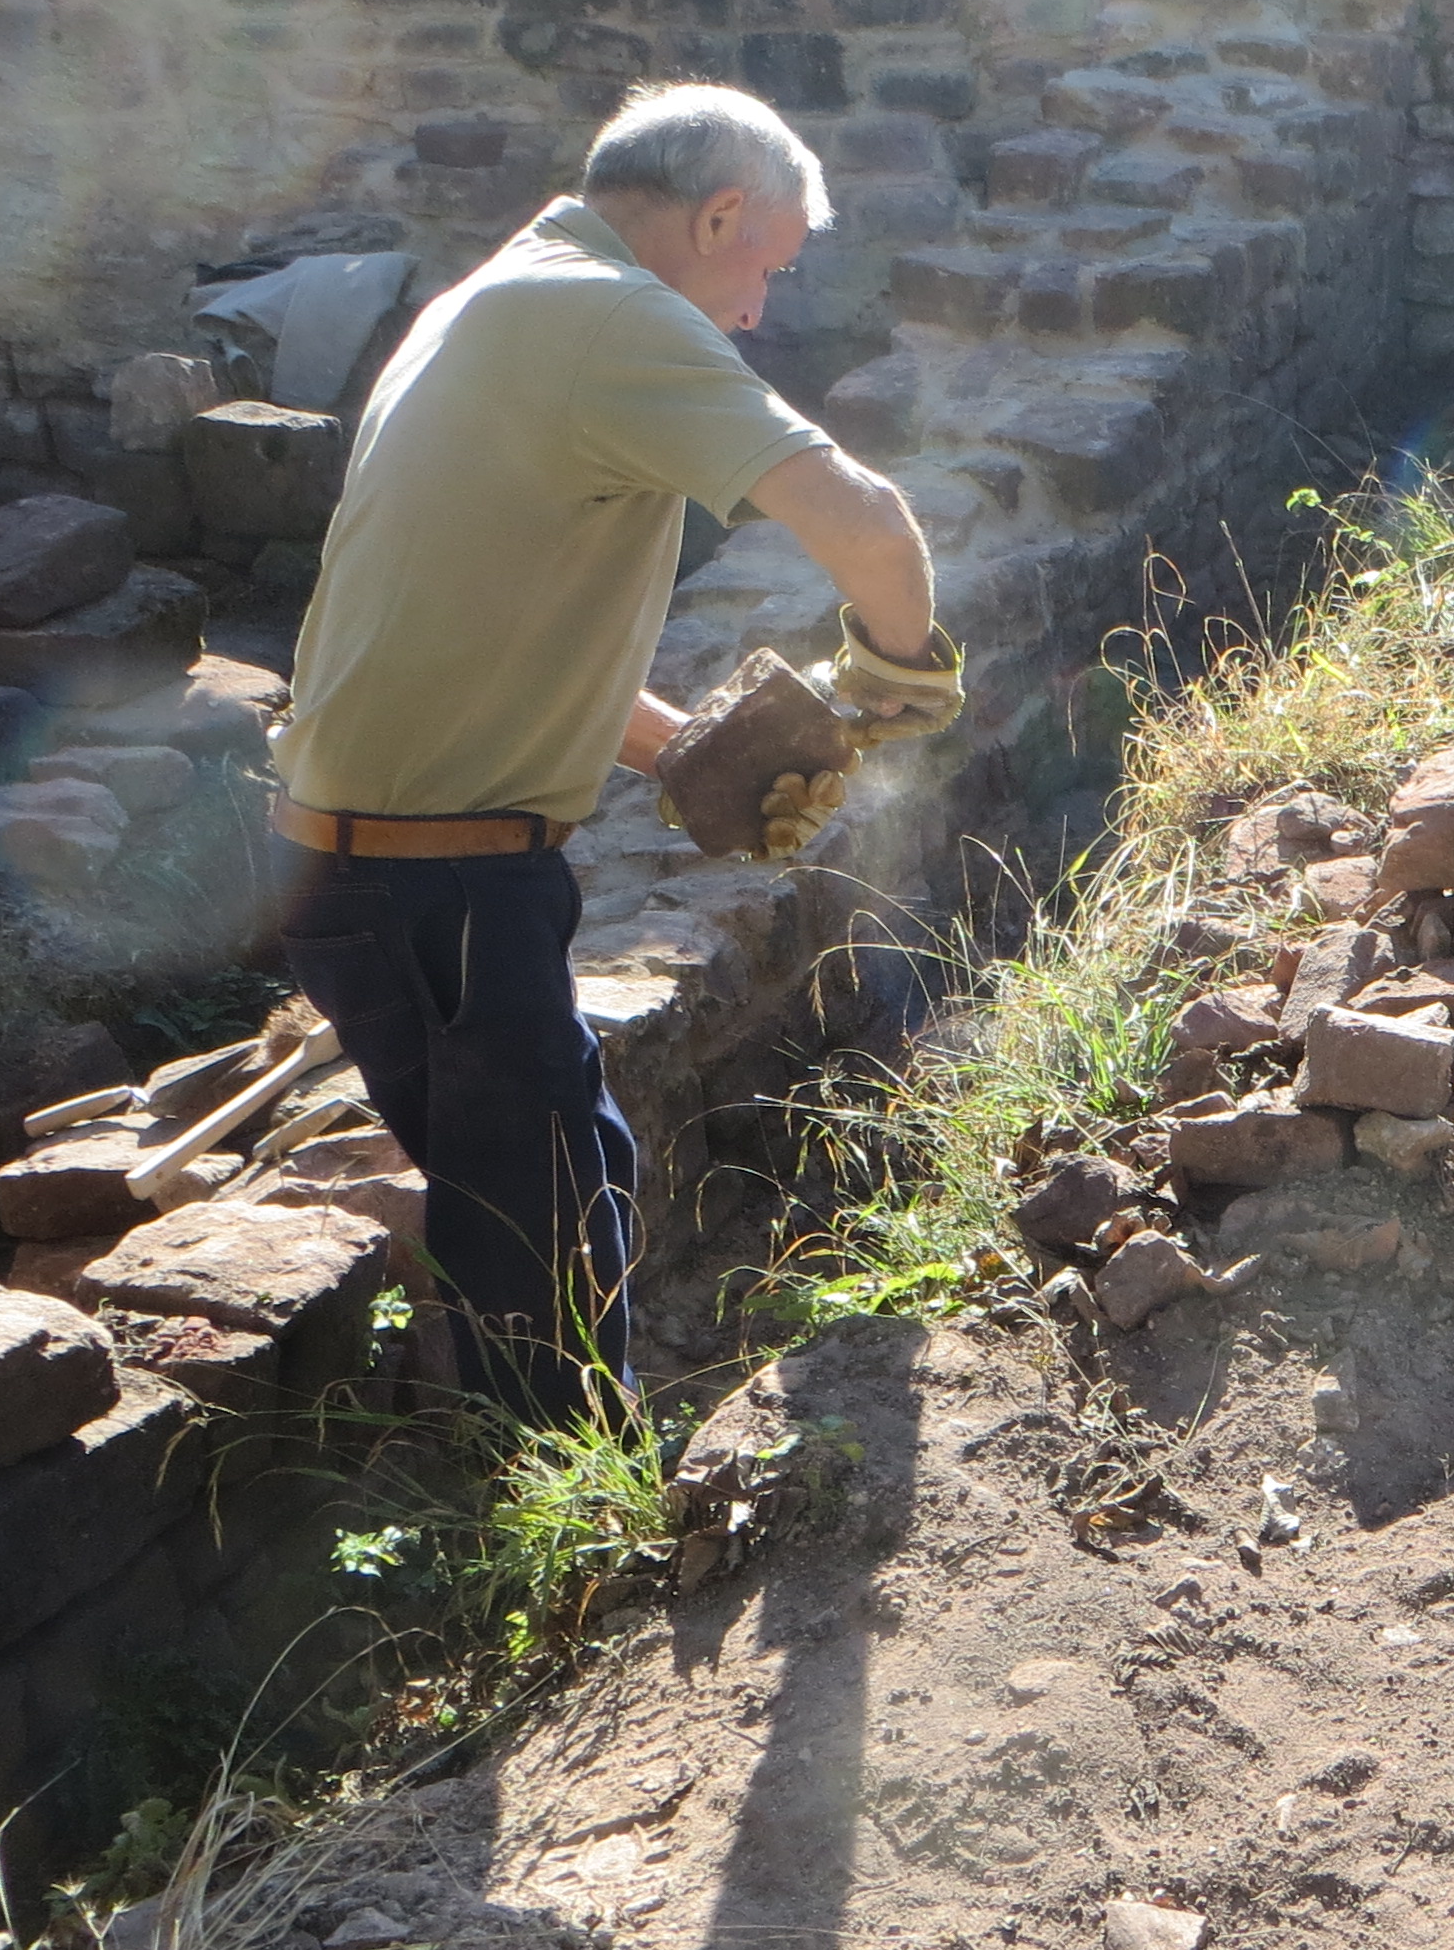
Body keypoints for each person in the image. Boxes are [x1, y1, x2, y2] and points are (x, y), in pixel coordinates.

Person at [269, 84, 962, 1418]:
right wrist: (901, 667)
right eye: (766, 269)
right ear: (716, 216)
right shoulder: (607, 315)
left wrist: (685, 751)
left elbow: (491, 628)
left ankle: (546, 1465)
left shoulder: (493, 300)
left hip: (374, 871)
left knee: (558, 1191)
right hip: (436, 884)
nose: (757, 310)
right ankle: (569, 1504)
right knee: (543, 1252)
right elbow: (866, 522)